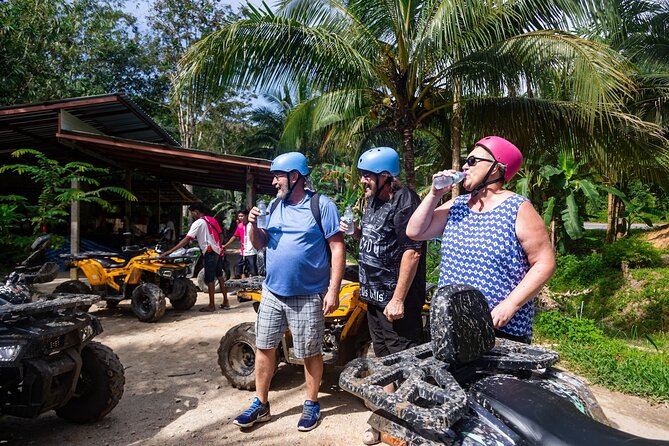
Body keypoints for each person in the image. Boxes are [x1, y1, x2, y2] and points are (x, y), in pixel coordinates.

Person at [233, 152, 345, 432]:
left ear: (295, 177)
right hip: (273, 291)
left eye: (277, 176)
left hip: (308, 294)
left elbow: (337, 247)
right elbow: (260, 243)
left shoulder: (322, 205)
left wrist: (333, 290)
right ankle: (261, 404)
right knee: (264, 346)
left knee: (309, 351)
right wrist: (252, 224)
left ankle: (311, 404)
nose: (273, 182)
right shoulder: (273, 205)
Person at [406, 136, 556, 344]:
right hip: (449, 322)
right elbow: (415, 231)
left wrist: (510, 304)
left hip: (498, 327)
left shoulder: (517, 208)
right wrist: (434, 194)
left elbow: (545, 262)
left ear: (496, 167)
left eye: (472, 161)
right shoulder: (457, 205)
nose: (465, 167)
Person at [339, 147, 426, 446]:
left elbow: (412, 251)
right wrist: (355, 232)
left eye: (368, 176)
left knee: (406, 362)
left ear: (386, 176)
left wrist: (399, 298)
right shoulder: (373, 199)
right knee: (384, 359)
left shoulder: (405, 201)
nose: (363, 180)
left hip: (394, 300)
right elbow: (377, 237)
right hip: (373, 296)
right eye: (362, 175)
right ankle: (387, 415)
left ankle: (411, 423)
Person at [161, 203, 230, 312]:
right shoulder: (212, 220)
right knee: (220, 276)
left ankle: (212, 305)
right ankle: (225, 301)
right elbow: (221, 235)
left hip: (209, 251)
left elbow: (187, 239)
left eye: (192, 213)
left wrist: (170, 251)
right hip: (217, 250)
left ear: (196, 212)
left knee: (209, 279)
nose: (192, 215)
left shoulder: (198, 223)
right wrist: (218, 246)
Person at [223, 209, 257, 278]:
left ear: (247, 215)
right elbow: (234, 236)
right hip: (243, 252)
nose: (240, 218)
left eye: (242, 216)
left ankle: (251, 286)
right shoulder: (240, 226)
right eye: (239, 216)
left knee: (252, 271)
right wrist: (225, 245)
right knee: (241, 270)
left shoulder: (252, 225)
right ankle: (243, 286)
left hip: (252, 252)